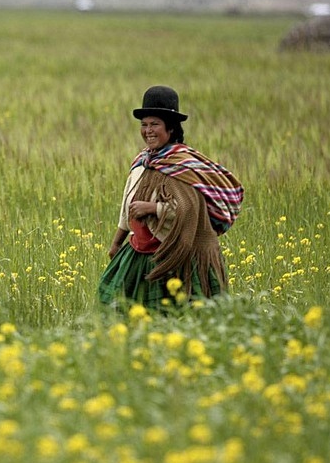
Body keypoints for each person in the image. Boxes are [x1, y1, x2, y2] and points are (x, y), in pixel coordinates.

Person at [98, 85, 243, 311]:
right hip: (138, 255)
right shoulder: (141, 163)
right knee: (119, 311)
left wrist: (152, 208)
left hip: (176, 258)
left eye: (155, 124)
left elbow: (189, 211)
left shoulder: (182, 166)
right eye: (144, 125)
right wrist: (117, 241)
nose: (148, 130)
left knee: (178, 316)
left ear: (171, 128)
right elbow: (127, 206)